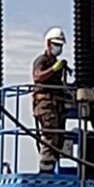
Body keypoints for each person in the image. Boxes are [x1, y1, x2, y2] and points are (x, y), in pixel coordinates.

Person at [32, 27, 69, 174]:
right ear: (48, 44)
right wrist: (53, 69)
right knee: (50, 135)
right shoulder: (42, 61)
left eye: (60, 45)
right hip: (45, 105)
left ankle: (51, 166)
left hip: (56, 105)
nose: (58, 48)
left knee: (59, 137)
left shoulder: (56, 62)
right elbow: (37, 77)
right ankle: (46, 170)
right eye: (56, 44)